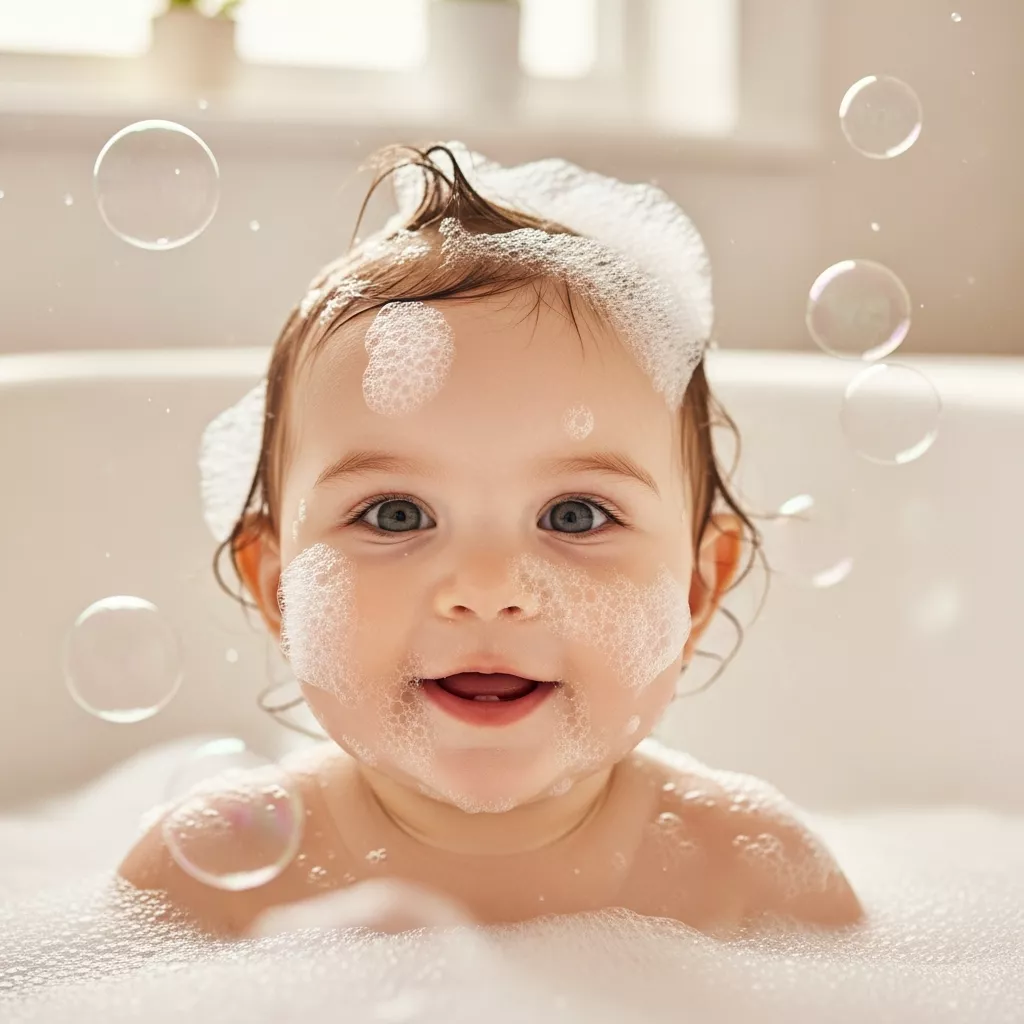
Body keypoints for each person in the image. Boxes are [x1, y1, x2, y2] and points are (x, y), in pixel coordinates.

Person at [120, 143, 864, 938]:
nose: (485, 585)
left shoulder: (754, 874)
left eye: (575, 514)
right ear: (280, 590)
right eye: (395, 514)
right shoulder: (199, 885)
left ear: (694, 593)